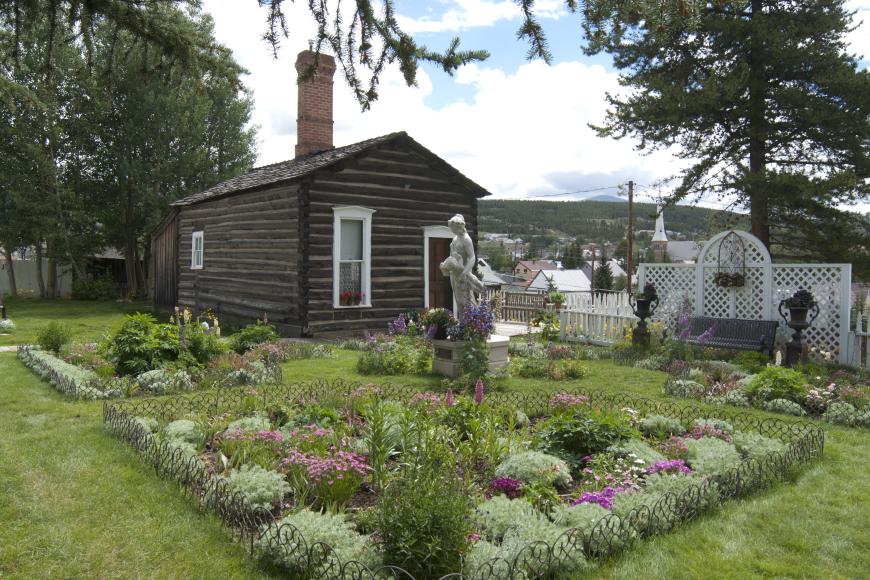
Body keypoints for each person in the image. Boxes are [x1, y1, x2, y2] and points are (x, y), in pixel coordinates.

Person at [440, 214, 482, 318]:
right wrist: (446, 265)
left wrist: (464, 273)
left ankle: (475, 322)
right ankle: (463, 324)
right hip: (454, 272)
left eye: (453, 228)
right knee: (458, 299)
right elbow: (452, 256)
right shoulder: (455, 239)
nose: (451, 230)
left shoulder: (466, 239)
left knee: (466, 299)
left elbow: (472, 258)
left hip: (463, 272)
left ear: (459, 227)